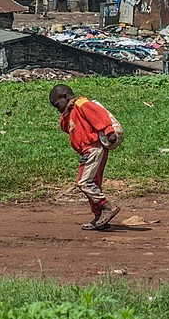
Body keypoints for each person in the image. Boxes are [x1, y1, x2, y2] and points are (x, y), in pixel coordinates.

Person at [50, 84, 123, 231]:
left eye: (57, 104)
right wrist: (66, 112)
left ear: (65, 97)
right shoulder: (71, 111)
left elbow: (99, 115)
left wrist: (109, 131)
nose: (56, 108)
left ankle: (107, 207)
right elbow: (65, 127)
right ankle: (99, 216)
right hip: (86, 151)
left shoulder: (82, 104)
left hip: (93, 148)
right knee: (93, 183)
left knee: (84, 183)